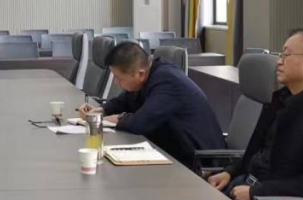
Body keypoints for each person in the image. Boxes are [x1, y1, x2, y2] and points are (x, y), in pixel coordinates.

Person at [208, 26, 303, 200]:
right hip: (246, 186)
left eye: (286, 55)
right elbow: (257, 152)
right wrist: (230, 172)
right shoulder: (283, 97)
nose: (279, 62)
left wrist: (256, 193)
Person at [78, 41, 225, 166]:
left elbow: (140, 123)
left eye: (119, 78)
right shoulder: (149, 75)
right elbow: (124, 100)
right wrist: (101, 110)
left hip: (198, 161)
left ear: (140, 74)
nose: (116, 82)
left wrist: (119, 118)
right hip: (171, 151)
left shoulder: (168, 81)